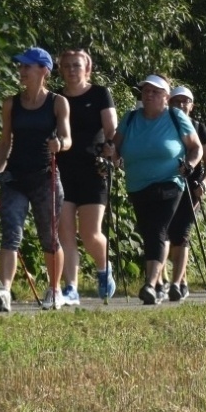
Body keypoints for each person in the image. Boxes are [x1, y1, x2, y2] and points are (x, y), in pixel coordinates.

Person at [0, 47, 72, 312]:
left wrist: (60, 143)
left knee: (49, 237)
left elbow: (67, 138)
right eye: (21, 67)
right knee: (11, 233)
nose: (22, 71)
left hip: (45, 177)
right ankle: (5, 290)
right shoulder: (11, 103)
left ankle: (55, 289)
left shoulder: (57, 102)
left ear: (44, 71)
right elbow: (4, 142)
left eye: (27, 67)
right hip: (15, 177)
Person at [116, 74, 203, 304]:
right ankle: (159, 284)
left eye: (155, 92)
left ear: (166, 96)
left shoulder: (175, 117)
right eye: (145, 91)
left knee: (158, 230)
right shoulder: (130, 118)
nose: (149, 95)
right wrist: (109, 159)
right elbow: (115, 146)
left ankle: (150, 284)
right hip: (137, 184)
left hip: (171, 181)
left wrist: (190, 165)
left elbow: (196, 148)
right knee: (149, 232)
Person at [55, 47, 119, 305]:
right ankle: (71, 287)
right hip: (63, 169)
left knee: (90, 232)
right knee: (66, 232)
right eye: (67, 65)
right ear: (60, 70)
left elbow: (112, 129)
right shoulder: (56, 98)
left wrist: (112, 147)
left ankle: (104, 269)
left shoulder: (100, 94)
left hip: (94, 168)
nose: (71, 70)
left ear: (87, 69)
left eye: (76, 65)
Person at [165, 85, 206, 300]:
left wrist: (203, 183)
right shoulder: (163, 125)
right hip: (166, 182)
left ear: (192, 106)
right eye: (177, 101)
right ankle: (170, 279)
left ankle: (178, 282)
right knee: (165, 232)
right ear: (169, 103)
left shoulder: (198, 126)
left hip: (192, 185)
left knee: (181, 233)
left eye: (185, 101)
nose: (181, 105)